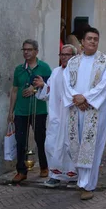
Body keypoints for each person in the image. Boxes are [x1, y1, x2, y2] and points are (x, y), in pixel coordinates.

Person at [53, 27, 106, 200]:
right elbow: (66, 84)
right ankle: (81, 179)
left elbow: (105, 85)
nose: (93, 41)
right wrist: (76, 99)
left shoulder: (105, 62)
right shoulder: (73, 62)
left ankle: (88, 184)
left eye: (96, 38)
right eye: (89, 38)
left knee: (92, 146)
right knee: (75, 145)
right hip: (75, 109)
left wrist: (85, 99)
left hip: (94, 110)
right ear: (82, 42)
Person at [8, 39, 52, 184]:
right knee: (20, 141)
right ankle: (21, 171)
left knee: (41, 139)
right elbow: (14, 90)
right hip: (21, 111)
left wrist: (34, 89)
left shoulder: (44, 68)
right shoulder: (19, 69)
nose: (26, 52)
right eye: (24, 50)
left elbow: (49, 87)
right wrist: (10, 112)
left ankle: (44, 166)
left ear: (36, 51)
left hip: (38, 110)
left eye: (29, 49)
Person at [34, 44, 78, 188]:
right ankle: (55, 176)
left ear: (74, 57)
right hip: (56, 116)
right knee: (51, 145)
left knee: (69, 146)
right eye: (62, 54)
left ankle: (73, 176)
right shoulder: (56, 72)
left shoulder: (77, 73)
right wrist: (43, 86)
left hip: (71, 116)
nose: (64, 57)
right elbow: (49, 92)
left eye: (67, 55)